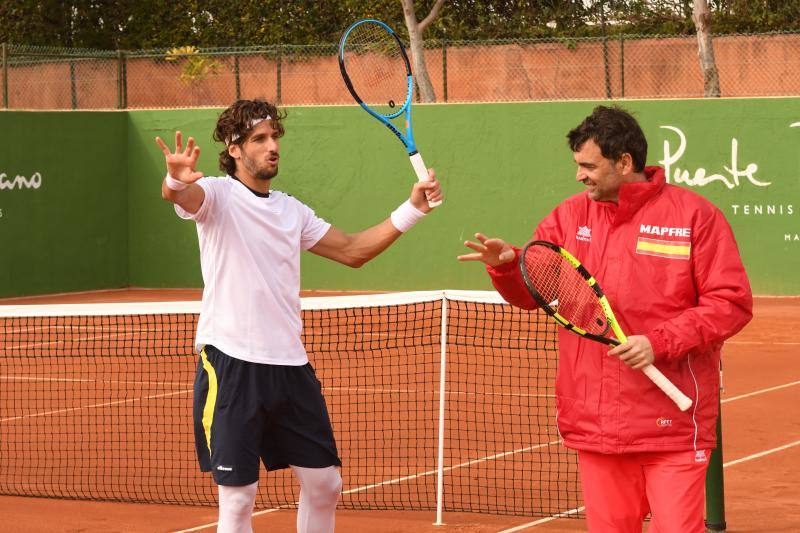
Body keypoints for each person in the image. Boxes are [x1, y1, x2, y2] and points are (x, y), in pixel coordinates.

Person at [458, 105, 751, 532]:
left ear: (625, 162)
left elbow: (731, 303)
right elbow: (539, 292)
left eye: (588, 165)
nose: (580, 175)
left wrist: (660, 340)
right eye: (578, 165)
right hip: (596, 426)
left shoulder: (695, 216)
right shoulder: (568, 217)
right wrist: (506, 267)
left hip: (671, 424)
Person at [156, 98, 443, 533]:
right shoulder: (217, 195)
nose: (272, 146)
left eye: (275, 137)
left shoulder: (292, 210)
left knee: (325, 483)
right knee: (237, 501)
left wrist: (413, 209)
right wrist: (175, 180)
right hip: (232, 365)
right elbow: (184, 195)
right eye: (259, 139)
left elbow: (352, 250)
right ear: (235, 149)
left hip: (291, 368)